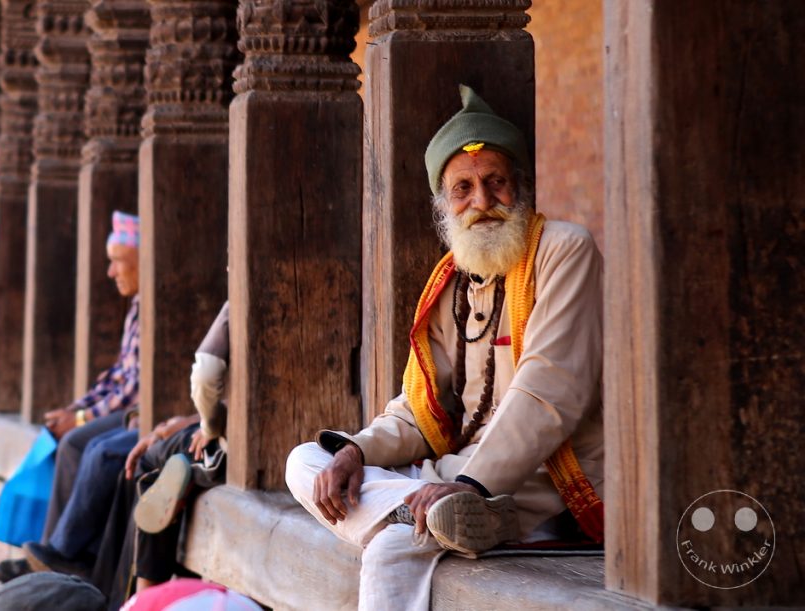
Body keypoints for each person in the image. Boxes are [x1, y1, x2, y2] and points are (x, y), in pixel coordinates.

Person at [284, 85, 605, 610]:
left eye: (495, 182)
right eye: (463, 189)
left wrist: (473, 485)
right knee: (306, 460)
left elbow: (549, 392)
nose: (481, 201)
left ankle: (445, 517)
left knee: (393, 544)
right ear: (444, 204)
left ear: (520, 187)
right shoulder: (451, 283)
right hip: (455, 472)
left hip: (540, 476)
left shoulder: (565, 250)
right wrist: (355, 451)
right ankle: (430, 516)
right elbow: (419, 414)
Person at [0, 211, 143, 583]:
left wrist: (79, 420)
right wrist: (77, 408)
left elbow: (132, 391)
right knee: (70, 440)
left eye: (118, 263)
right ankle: (49, 555)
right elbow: (117, 376)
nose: (111, 273)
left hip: (144, 413)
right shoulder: (137, 307)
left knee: (82, 443)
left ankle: (61, 554)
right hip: (128, 408)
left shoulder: (155, 306)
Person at [89, 301, 230, 609]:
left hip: (226, 444)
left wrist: (207, 422)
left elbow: (206, 370)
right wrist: (188, 421)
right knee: (160, 476)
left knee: (149, 466)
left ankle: (130, 597)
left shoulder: (239, 298)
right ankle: (135, 594)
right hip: (307, 451)